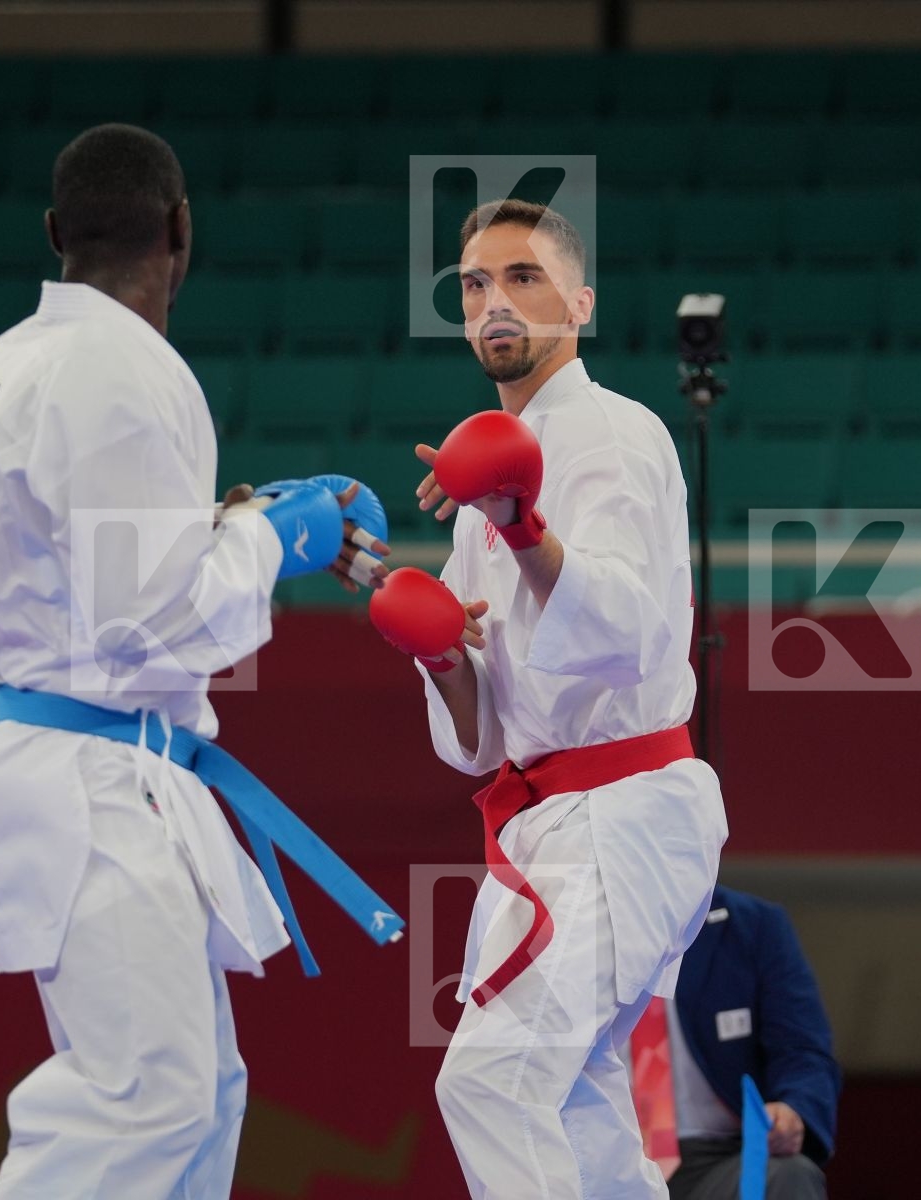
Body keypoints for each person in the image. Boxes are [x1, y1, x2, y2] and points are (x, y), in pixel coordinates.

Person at [0, 123, 396, 1199]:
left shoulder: (13, 360)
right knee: (144, 1103)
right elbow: (139, 617)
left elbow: (100, 558)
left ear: (57, 234)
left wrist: (242, 520)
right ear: (181, 230)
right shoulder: (116, 370)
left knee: (200, 1097)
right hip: (92, 772)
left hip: (78, 752)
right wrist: (278, 540)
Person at [372, 198, 728, 1198]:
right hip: (545, 823)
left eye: (522, 278)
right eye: (476, 285)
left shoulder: (615, 435)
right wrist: (441, 655)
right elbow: (483, 741)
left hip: (621, 811)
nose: (494, 302)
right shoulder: (485, 474)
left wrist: (526, 526)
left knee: (493, 1085)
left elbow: (624, 636)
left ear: (579, 300)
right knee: (577, 1106)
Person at [640, 885, 840, 1200]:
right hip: (595, 1150)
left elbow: (801, 1051)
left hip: (721, 1156)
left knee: (789, 1176)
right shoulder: (570, 925)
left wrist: (791, 1110)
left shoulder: (753, 925)